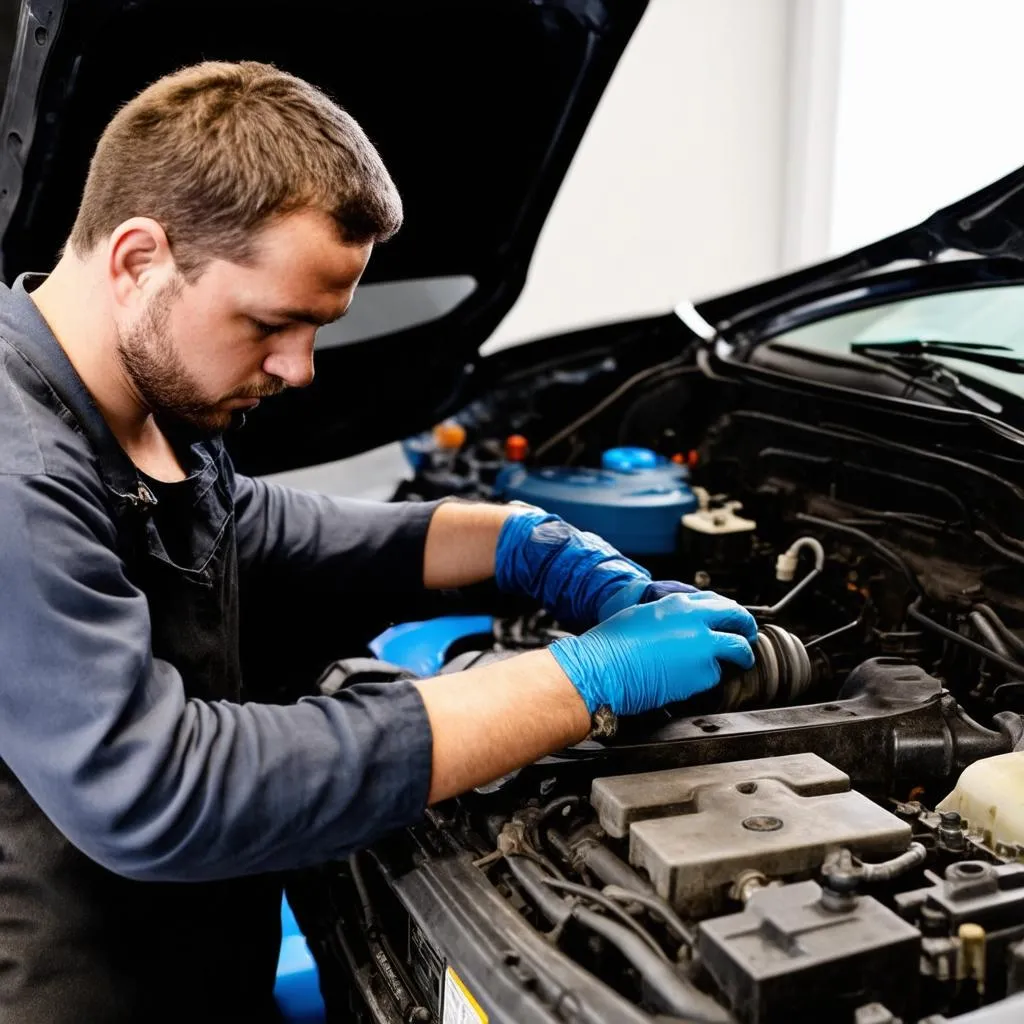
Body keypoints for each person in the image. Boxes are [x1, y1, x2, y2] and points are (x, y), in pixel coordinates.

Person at [0, 60, 757, 1022]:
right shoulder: (16, 469)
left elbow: (256, 532)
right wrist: (580, 681)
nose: (300, 368)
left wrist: (518, 543)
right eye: (273, 323)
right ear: (140, 259)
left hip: (195, 955)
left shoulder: (140, 402)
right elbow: (156, 786)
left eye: (318, 327)